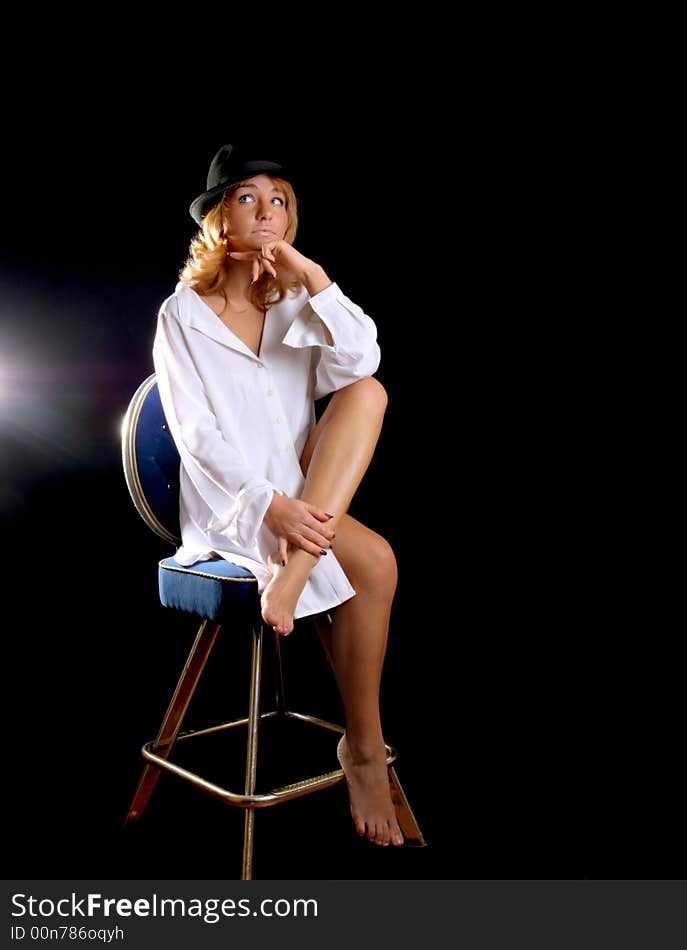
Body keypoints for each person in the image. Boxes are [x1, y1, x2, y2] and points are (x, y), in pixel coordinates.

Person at [152, 143, 404, 847]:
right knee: (376, 563)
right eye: (247, 197)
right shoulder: (182, 316)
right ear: (218, 219)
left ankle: (358, 741)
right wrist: (270, 505)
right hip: (235, 510)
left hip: (309, 495)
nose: (267, 210)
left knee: (367, 390)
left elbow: (361, 359)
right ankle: (364, 748)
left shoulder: (295, 298)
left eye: (280, 200)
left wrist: (315, 277)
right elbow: (198, 439)